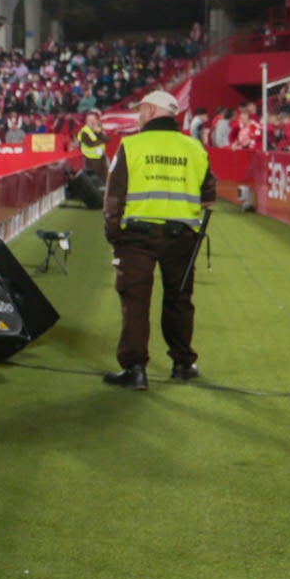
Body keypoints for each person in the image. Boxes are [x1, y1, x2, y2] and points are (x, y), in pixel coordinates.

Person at [102, 89, 216, 390]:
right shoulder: (194, 148)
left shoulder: (131, 145)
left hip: (136, 238)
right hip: (181, 238)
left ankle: (135, 370)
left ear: (151, 111)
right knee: (180, 300)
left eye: (141, 110)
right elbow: (208, 196)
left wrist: (114, 236)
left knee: (135, 302)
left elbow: (113, 197)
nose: (139, 115)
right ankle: (182, 364)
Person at [76, 109, 109, 182]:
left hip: (101, 157)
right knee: (94, 179)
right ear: (87, 122)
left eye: (94, 119)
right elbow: (90, 144)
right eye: (90, 120)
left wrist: (99, 133)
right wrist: (101, 140)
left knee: (104, 176)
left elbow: (107, 139)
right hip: (90, 159)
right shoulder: (84, 132)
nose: (92, 122)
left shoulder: (99, 129)